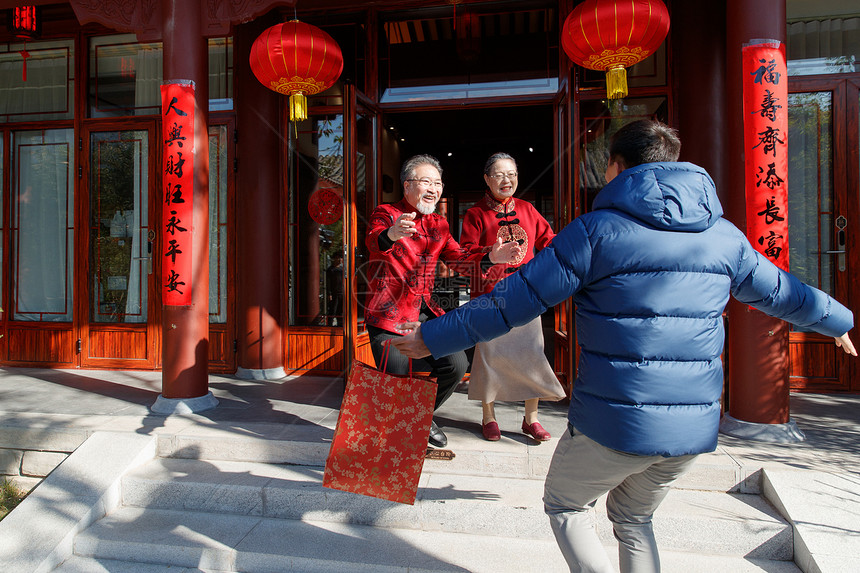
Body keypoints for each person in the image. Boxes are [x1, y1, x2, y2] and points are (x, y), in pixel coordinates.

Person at [391, 120, 856, 572]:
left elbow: (511, 303)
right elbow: (784, 293)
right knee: (635, 517)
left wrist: (431, 337)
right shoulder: (725, 236)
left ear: (616, 166)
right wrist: (837, 320)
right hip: (691, 431)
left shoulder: (596, 232)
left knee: (566, 504)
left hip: (614, 422)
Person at [365, 154, 523, 449]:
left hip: (426, 313)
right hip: (389, 315)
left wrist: (491, 256)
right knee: (398, 376)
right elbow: (374, 240)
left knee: (456, 363)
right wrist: (392, 233)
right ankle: (401, 441)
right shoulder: (386, 213)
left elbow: (460, 259)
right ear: (407, 185)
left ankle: (417, 419)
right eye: (426, 181)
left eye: (438, 183)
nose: (433, 188)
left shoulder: (439, 223)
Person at [459, 152, 566, 442]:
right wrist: (490, 255)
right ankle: (488, 416)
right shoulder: (475, 214)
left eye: (512, 174)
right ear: (486, 178)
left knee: (532, 355)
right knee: (489, 357)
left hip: (527, 296)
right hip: (490, 297)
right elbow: (465, 254)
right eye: (499, 174)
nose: (507, 180)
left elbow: (551, 244)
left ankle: (531, 418)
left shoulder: (529, 210)